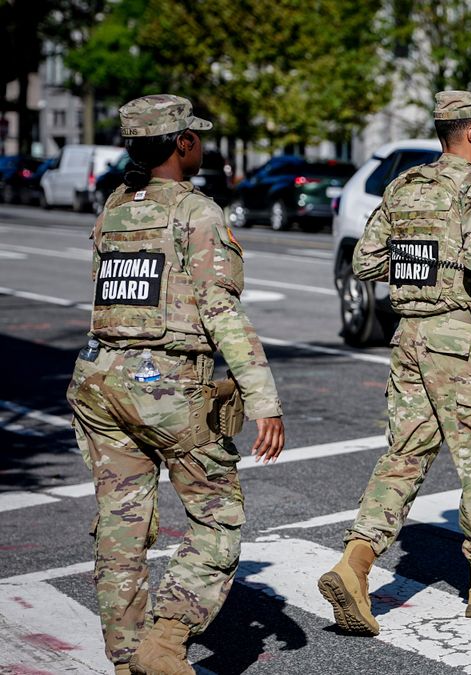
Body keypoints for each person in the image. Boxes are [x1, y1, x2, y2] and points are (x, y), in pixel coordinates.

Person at [65, 94, 286, 675]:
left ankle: (124, 657)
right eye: (196, 137)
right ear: (182, 143)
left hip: (98, 379)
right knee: (217, 515)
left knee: (121, 523)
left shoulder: (114, 206)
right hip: (164, 386)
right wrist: (263, 399)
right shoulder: (198, 212)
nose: (201, 145)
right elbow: (222, 312)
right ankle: (164, 643)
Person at [318, 91, 471, 635]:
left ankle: (355, 564)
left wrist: (421, 268)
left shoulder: (404, 185)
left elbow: (366, 261)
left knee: (404, 456)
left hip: (408, 336)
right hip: (459, 338)